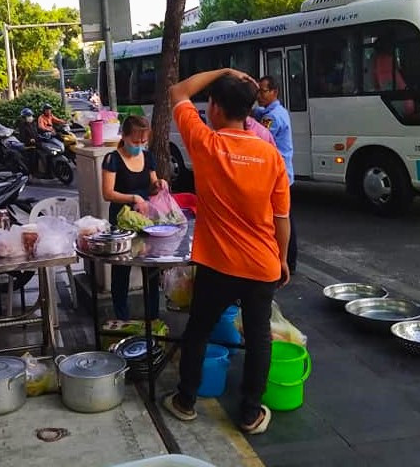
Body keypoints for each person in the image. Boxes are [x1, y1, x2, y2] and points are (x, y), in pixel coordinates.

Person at [163, 68, 290, 436]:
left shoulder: (206, 143)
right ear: (248, 110)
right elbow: (281, 218)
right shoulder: (270, 156)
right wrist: (282, 259)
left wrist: (222, 71)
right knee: (259, 338)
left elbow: (177, 91)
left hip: (217, 265)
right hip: (262, 265)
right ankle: (250, 414)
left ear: (215, 108)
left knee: (199, 330)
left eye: (210, 105)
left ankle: (185, 401)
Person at [101, 115, 166, 320]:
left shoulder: (148, 157)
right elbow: (107, 193)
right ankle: (122, 317)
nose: (139, 146)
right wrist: (132, 197)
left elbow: (152, 185)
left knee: (151, 268)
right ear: (124, 136)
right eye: (135, 142)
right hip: (121, 221)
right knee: (122, 269)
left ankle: (153, 317)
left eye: (142, 142)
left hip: (144, 219)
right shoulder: (112, 159)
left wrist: (159, 184)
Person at [254, 76, 297, 274]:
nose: (259, 95)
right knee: (284, 216)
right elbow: (256, 112)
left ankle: (288, 261)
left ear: (274, 92)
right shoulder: (272, 111)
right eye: (258, 91)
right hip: (281, 172)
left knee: (282, 218)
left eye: (263, 91)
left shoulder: (272, 118)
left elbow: (260, 138)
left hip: (278, 174)